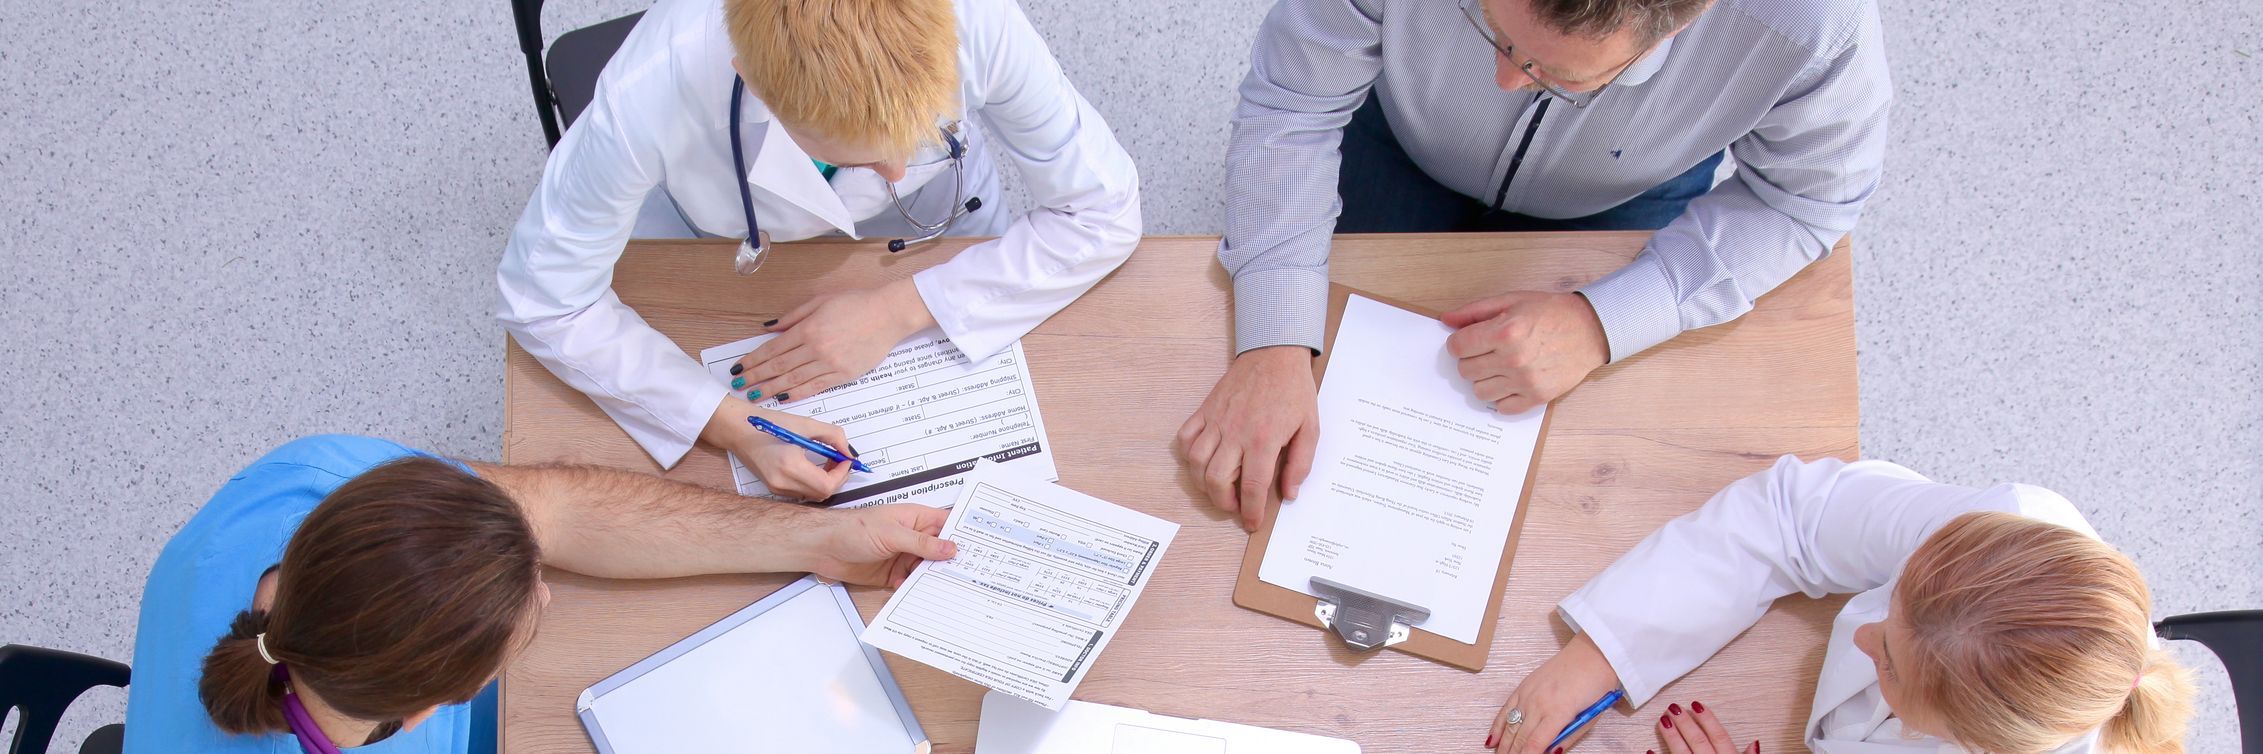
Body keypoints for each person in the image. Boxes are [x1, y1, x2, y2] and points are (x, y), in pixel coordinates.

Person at [1179, 0, 1892, 529]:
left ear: (1681, 24)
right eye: (1485, 23)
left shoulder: (1817, 29)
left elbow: (1804, 202)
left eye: (1548, 72)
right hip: (1394, 137)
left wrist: (1602, 322)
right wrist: (1272, 341)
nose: (1501, 79)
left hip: (1625, 189)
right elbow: (1293, 104)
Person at [498, 0, 1142, 501]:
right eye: (857, 151)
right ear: (751, 80)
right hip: (726, 256)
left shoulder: (975, 15)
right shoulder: (648, 92)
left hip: (936, 232)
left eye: (919, 130)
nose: (894, 169)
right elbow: (544, 299)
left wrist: (903, 308)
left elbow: (1103, 208)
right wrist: (731, 422)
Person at [120, 434, 957, 753]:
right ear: (438, 707)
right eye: (528, 618)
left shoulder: (309, 483)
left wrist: (815, 541)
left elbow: (554, 508)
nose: (550, 598)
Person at [1485, 456, 2195, 754]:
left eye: (1886, 661)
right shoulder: (2003, 530)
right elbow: (1792, 517)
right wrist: (1606, 651)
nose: (1861, 639)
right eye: (1889, 609)